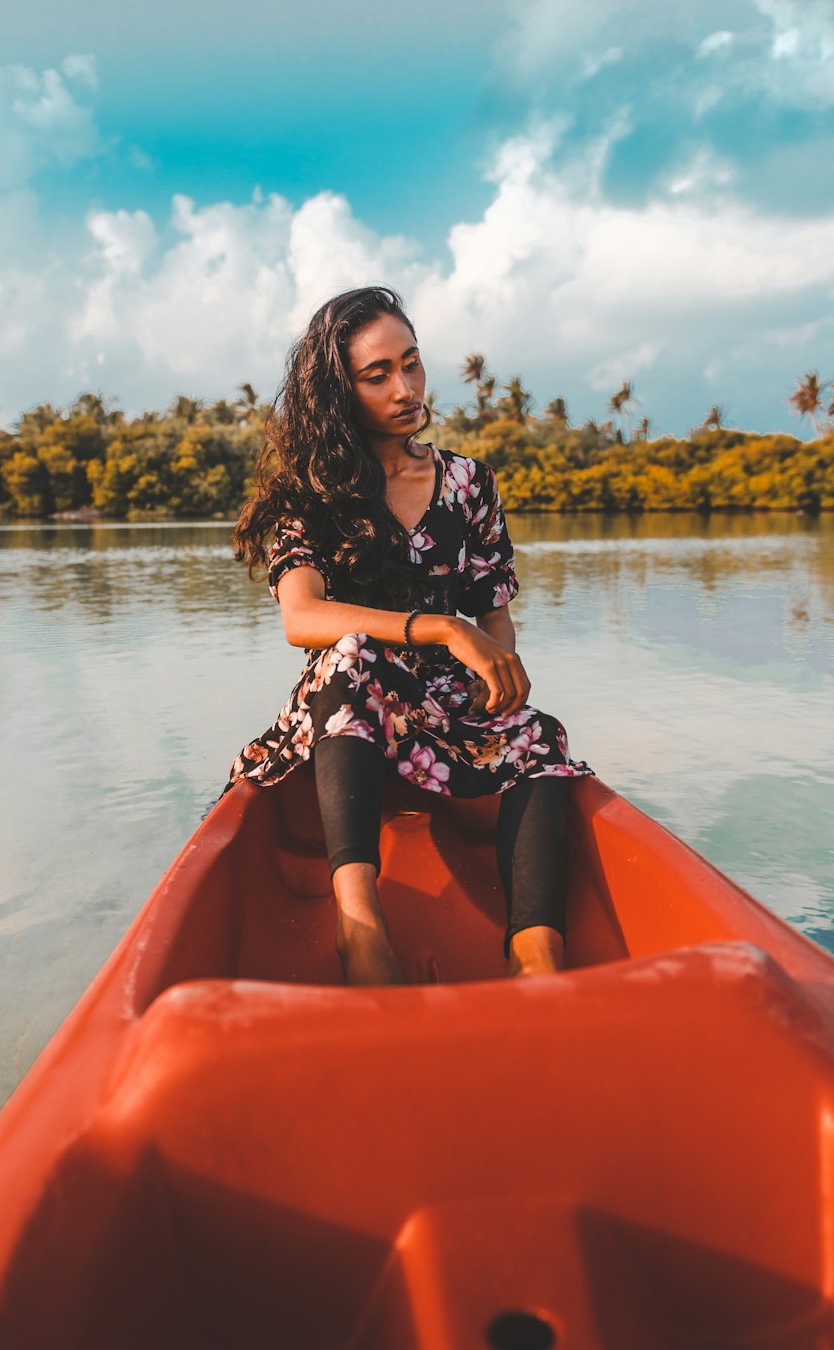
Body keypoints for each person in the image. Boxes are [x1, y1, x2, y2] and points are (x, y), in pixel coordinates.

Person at [228, 286, 592, 985]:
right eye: (378, 375)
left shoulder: (468, 484)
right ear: (340, 392)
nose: (405, 388)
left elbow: (494, 617)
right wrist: (440, 628)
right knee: (351, 652)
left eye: (413, 364)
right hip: (352, 711)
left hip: (448, 715)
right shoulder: (312, 490)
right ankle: (360, 930)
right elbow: (302, 618)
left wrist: (502, 674)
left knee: (544, 735)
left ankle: (537, 957)